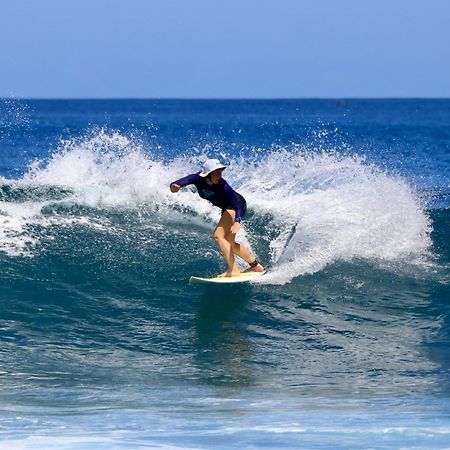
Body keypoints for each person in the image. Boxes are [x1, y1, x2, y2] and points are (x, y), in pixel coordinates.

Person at [170, 159, 265, 277]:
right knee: (229, 242)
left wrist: (237, 221)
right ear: (207, 174)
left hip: (236, 205)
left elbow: (236, 205)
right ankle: (256, 266)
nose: (219, 176)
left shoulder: (223, 185)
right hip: (227, 207)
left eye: (220, 173)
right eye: (216, 174)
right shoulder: (197, 179)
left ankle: (233, 271)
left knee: (217, 236)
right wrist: (175, 188)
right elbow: (176, 185)